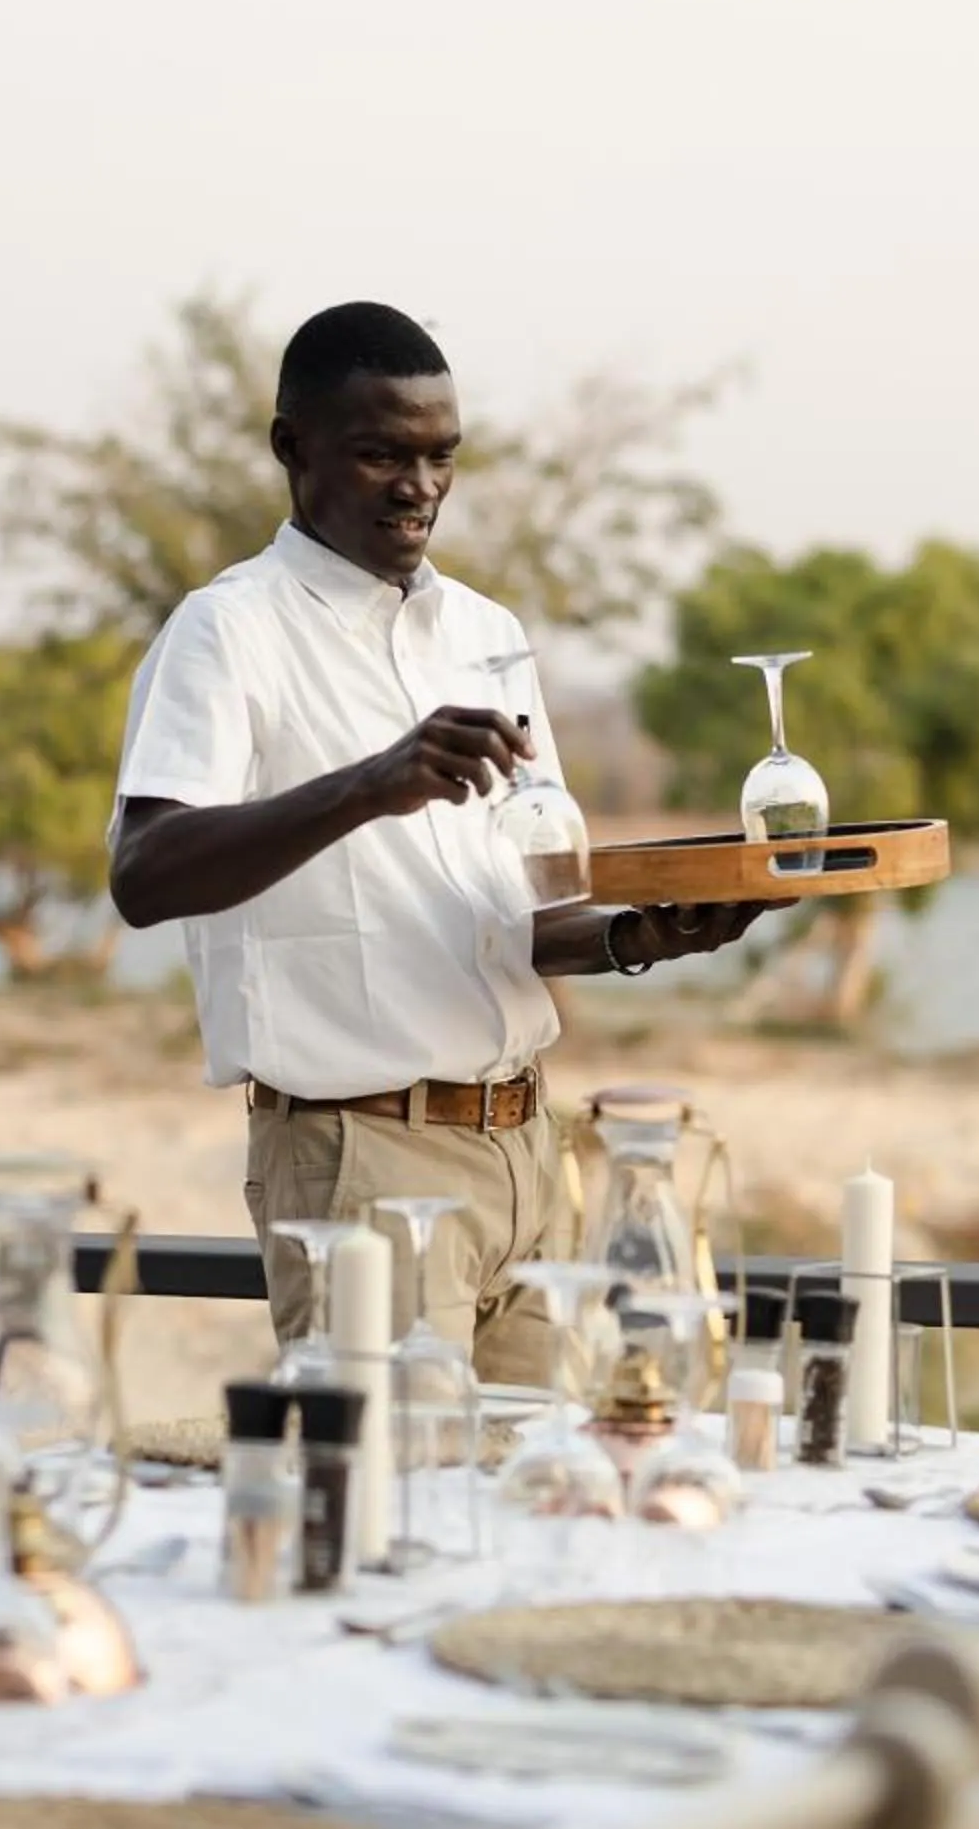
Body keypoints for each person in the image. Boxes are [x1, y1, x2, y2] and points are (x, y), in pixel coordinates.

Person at [109, 301, 767, 1377]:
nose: (418, 487)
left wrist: (638, 937)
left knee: (539, 1479)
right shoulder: (229, 631)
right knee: (392, 1477)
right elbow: (143, 875)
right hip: (365, 1162)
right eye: (381, 455)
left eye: (441, 456)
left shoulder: (486, 634)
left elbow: (518, 920)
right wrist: (370, 784)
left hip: (531, 1155)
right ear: (291, 448)